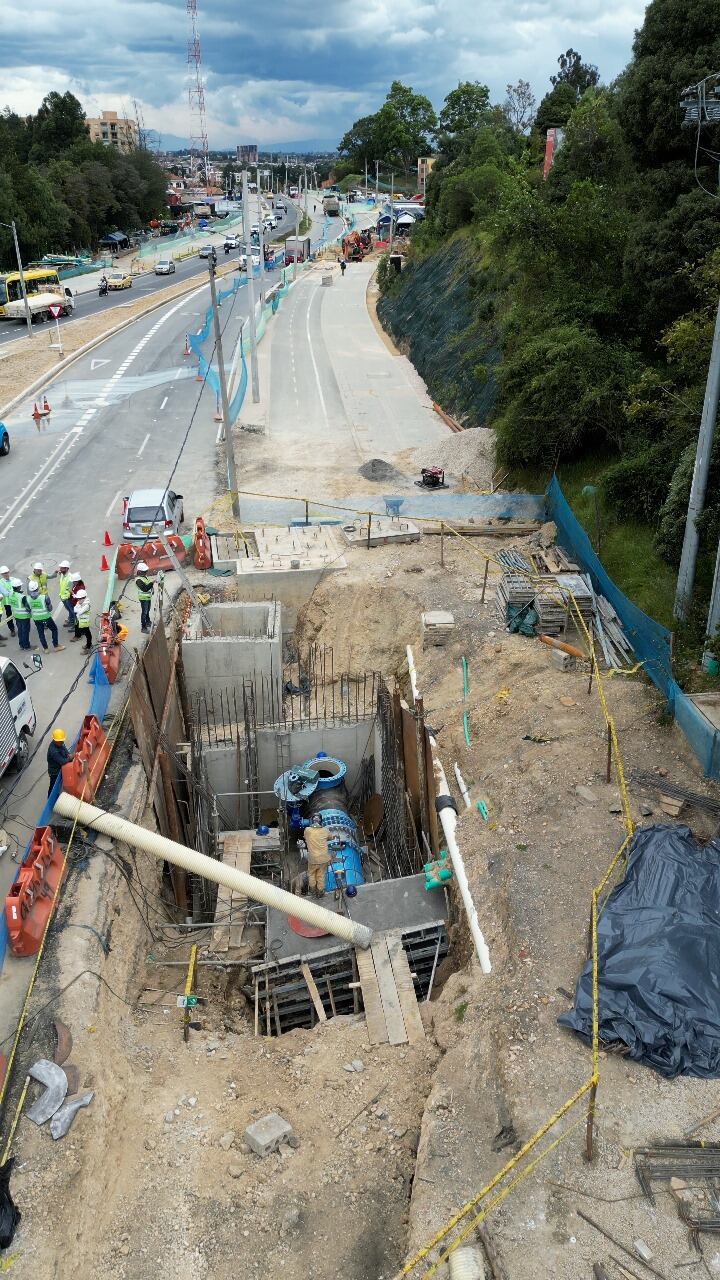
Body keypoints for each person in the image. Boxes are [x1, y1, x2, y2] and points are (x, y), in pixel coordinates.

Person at [26, 580, 64, 652]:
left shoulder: (27, 599)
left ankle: (45, 649)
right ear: (37, 587)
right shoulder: (44, 597)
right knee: (54, 629)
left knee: (41, 633)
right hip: (46, 617)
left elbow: (28, 610)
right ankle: (56, 646)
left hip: (36, 618)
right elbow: (50, 609)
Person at [304, 814, 331, 898]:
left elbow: (305, 838)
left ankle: (312, 891)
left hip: (313, 858)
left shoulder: (307, 830)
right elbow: (330, 837)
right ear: (320, 820)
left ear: (312, 820)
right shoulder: (325, 830)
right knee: (321, 875)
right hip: (324, 858)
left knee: (311, 874)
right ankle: (320, 892)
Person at [10, 578, 33, 651]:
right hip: (24, 617)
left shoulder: (11, 594)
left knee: (20, 631)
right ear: (19, 587)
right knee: (25, 631)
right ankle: (26, 646)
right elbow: (28, 608)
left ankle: (21, 645)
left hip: (16, 616)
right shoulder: (22, 597)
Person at [47, 728, 70, 796]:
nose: (62, 742)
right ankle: (50, 798)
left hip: (59, 767)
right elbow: (63, 761)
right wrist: (70, 757)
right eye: (60, 741)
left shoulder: (59, 743)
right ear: (54, 740)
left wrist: (68, 754)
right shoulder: (53, 751)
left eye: (62, 740)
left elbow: (64, 748)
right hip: (55, 772)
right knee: (53, 786)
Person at [135, 562, 154, 633]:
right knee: (144, 612)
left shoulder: (144, 577)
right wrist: (152, 583)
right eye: (144, 571)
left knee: (147, 610)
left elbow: (148, 584)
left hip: (148, 597)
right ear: (140, 572)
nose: (146, 572)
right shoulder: (138, 580)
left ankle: (148, 622)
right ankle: (143, 627)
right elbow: (145, 588)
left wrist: (152, 589)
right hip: (143, 599)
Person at [56, 559, 75, 629]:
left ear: (67, 569)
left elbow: (70, 589)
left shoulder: (70, 578)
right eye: (60, 567)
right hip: (63, 597)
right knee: (70, 610)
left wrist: (67, 597)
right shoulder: (62, 574)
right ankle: (71, 621)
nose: (60, 569)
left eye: (62, 568)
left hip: (68, 598)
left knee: (73, 611)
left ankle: (75, 624)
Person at [0, 567, 14, 638]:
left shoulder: (13, 579)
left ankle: (20, 628)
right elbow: (6, 594)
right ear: (1, 574)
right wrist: (14, 591)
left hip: (15, 602)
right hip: (7, 603)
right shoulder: (0, 582)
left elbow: (19, 588)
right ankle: (12, 630)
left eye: (7, 572)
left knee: (18, 615)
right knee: (9, 616)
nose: (6, 574)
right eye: (4, 573)